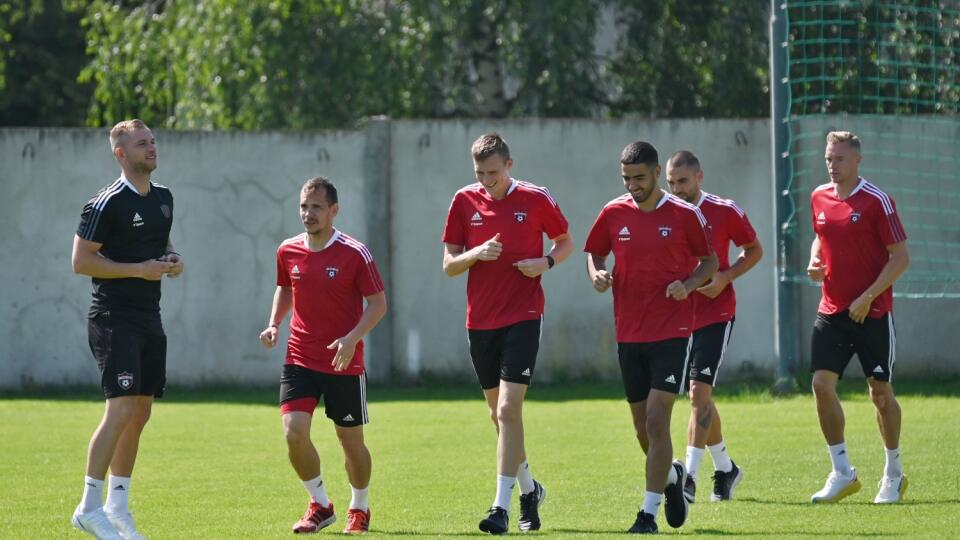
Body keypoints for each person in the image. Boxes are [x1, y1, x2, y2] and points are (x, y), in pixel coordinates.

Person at [442, 132, 572, 534]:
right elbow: (448, 264)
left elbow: (566, 241)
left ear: (510, 165)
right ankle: (530, 489)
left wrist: (546, 262)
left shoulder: (535, 198)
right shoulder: (464, 201)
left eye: (493, 173)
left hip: (524, 315)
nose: (486, 181)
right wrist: (475, 254)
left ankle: (500, 507)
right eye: (480, 173)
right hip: (480, 321)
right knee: (501, 419)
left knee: (507, 411)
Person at [584, 141, 718, 534]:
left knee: (659, 420)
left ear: (657, 173)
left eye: (639, 178)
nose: (632, 186)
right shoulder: (613, 212)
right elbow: (594, 253)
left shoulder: (684, 214)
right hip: (629, 332)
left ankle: (647, 514)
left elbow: (709, 263)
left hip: (672, 331)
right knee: (643, 429)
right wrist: (597, 275)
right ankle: (672, 477)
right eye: (626, 179)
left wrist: (689, 284)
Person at [71, 118, 183, 540]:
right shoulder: (105, 203)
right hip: (113, 318)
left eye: (152, 141)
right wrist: (139, 270)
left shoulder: (165, 197)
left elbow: (162, 245)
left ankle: (118, 503)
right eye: (141, 144)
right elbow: (81, 262)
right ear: (121, 154)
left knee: (140, 411)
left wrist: (173, 261)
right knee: (119, 409)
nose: (151, 148)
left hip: (149, 316)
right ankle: (88, 506)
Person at [259, 177, 387, 534]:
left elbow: (378, 304)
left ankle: (359, 508)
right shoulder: (288, 250)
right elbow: (285, 287)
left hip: (343, 361)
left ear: (334, 211)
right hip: (299, 357)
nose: (308, 213)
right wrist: (274, 324)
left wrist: (351, 339)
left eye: (316, 207)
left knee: (350, 442)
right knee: (292, 432)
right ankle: (319, 503)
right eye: (303, 206)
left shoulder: (354, 253)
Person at [807, 131, 910, 504]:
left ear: (857, 161)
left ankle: (893, 473)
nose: (832, 166)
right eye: (828, 159)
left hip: (873, 311)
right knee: (821, 384)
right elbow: (821, 233)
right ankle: (842, 471)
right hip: (832, 309)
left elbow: (900, 258)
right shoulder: (818, 196)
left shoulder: (877, 202)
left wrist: (868, 297)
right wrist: (815, 258)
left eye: (839, 160)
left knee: (880, 394)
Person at [665, 151, 763, 503]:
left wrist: (726, 276)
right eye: (671, 182)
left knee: (697, 395)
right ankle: (726, 467)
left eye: (683, 182)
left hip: (715, 314)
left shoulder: (724, 210)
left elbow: (754, 249)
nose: (676, 190)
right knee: (699, 397)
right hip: (676, 316)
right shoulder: (664, 212)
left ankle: (689, 477)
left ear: (699, 177)